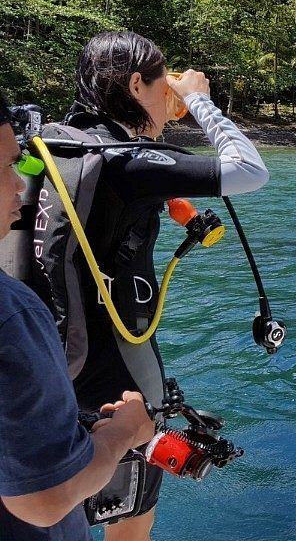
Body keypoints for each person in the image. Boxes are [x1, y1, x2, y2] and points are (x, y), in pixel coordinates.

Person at [27, 31, 270, 540]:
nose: (171, 97)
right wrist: (200, 98)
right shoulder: (128, 159)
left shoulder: (63, 145)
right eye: (165, 85)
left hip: (51, 358)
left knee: (59, 504)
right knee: (131, 517)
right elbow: (249, 170)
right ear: (137, 84)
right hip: (117, 375)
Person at [0, 95, 155, 541]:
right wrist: (121, 435)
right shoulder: (13, 316)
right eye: (5, 167)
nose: (17, 186)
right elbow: (44, 499)